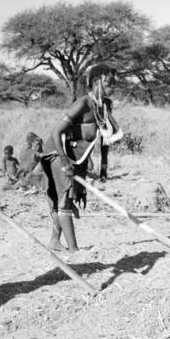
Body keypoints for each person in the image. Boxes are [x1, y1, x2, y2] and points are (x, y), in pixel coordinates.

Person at [40, 64, 122, 254]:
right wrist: (64, 160)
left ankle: (54, 241)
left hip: (79, 156)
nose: (113, 86)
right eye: (109, 82)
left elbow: (105, 137)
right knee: (64, 200)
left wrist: (103, 167)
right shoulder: (82, 104)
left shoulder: (105, 105)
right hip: (58, 152)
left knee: (71, 196)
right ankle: (74, 249)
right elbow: (56, 131)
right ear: (96, 82)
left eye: (114, 83)